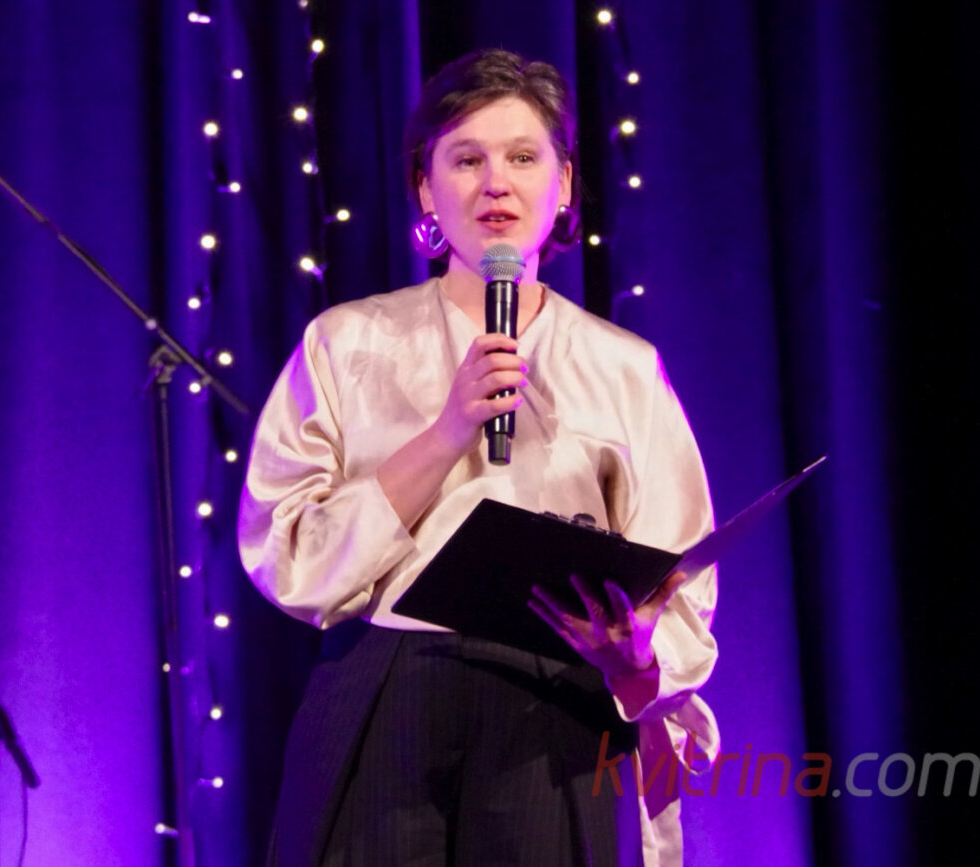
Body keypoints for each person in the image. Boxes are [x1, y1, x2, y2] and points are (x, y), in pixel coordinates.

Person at [239, 48, 719, 867]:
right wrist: (446, 432)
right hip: (387, 687)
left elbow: (680, 575)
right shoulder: (346, 343)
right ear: (426, 188)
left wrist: (636, 651)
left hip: (553, 706)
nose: (496, 183)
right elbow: (286, 554)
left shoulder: (624, 367)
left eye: (523, 157)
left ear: (564, 185)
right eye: (466, 160)